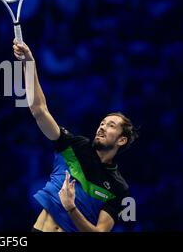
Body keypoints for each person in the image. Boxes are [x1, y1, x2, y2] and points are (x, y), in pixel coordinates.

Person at [13, 39, 139, 232]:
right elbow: (39, 110)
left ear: (122, 140)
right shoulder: (74, 146)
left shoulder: (118, 187)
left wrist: (71, 208)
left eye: (111, 125)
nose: (102, 127)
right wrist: (28, 62)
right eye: (102, 123)